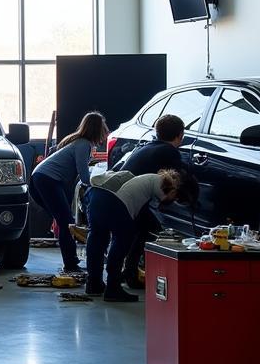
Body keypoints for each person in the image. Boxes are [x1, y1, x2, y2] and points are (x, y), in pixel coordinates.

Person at [117, 114, 197, 288]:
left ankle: (126, 271)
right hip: (131, 201)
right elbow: (181, 178)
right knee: (147, 230)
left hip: (119, 197)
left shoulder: (144, 147)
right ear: (180, 136)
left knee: (142, 229)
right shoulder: (170, 152)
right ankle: (131, 274)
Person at [85, 169, 183, 302]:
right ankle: (113, 288)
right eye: (176, 197)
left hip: (95, 194)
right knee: (123, 239)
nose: (175, 200)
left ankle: (93, 284)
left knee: (97, 238)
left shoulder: (148, 177)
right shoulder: (161, 185)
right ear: (173, 191)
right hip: (113, 200)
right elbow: (157, 210)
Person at [29, 111, 108, 272]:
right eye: (103, 127)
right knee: (66, 222)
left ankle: (71, 261)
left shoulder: (79, 142)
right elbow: (83, 174)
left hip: (41, 178)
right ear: (96, 129)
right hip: (46, 179)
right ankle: (70, 264)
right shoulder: (83, 144)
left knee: (64, 220)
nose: (105, 131)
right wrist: (99, 187)